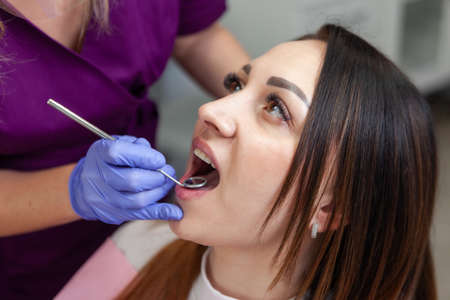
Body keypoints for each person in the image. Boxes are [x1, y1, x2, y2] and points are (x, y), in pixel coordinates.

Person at [56, 24, 438, 300]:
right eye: (237, 85)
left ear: (332, 208)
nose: (211, 109)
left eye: (276, 108)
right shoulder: (143, 242)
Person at [0, 0, 249, 299]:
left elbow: (197, 37)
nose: (213, 114)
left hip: (137, 237)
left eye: (276, 110)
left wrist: (251, 106)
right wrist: (74, 188)